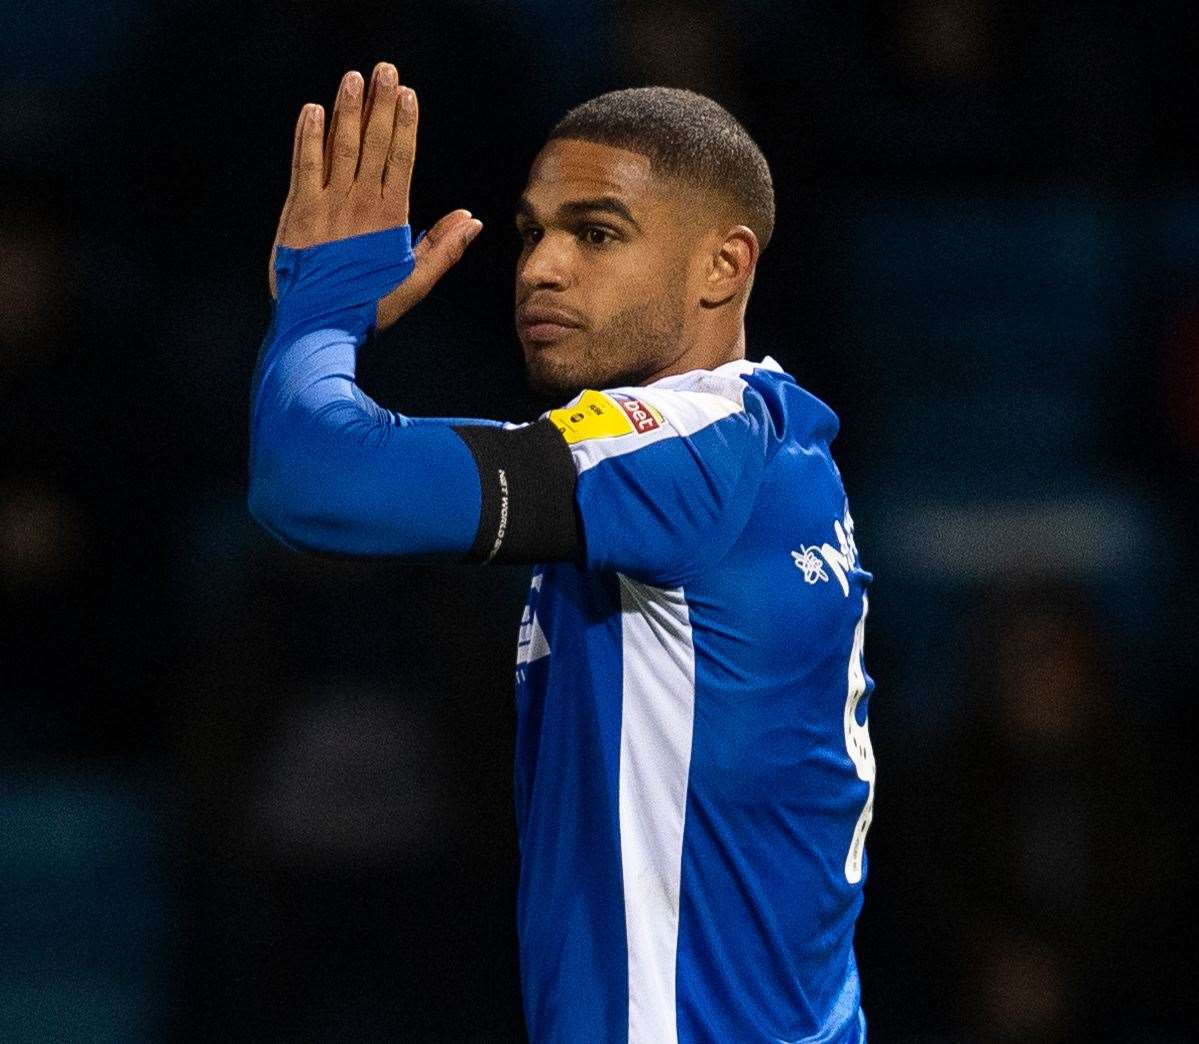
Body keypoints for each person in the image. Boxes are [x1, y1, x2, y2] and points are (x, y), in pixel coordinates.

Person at [249, 60, 875, 1044]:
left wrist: (321, 311)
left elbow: (315, 479)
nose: (539, 266)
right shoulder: (776, 444)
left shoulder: (681, 451)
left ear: (722, 265)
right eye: (532, 233)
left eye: (595, 234)